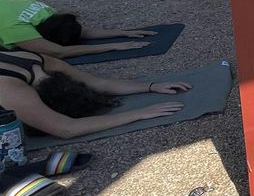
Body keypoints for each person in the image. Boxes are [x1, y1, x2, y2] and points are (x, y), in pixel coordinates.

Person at [0, 50, 187, 140]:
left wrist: (151, 86)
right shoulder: (16, 79)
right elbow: (66, 128)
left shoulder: (31, 62)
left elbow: (97, 83)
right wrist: (138, 113)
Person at [0, 0, 156, 59]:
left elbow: (82, 32)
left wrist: (123, 33)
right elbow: (57, 51)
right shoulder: (15, 28)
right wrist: (114, 46)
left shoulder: (45, 12)